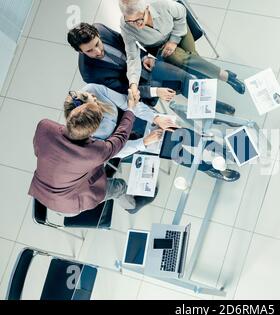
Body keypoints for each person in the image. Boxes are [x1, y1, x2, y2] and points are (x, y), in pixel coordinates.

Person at [66, 84, 240, 182]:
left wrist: (155, 118)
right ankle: (209, 168)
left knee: (188, 135)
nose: (95, 98)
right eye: (93, 103)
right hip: (131, 142)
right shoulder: (88, 136)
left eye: (92, 97)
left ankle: (225, 152)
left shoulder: (92, 90)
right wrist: (144, 142)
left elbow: (130, 104)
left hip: (139, 118)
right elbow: (115, 151)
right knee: (179, 154)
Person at [29, 88, 154, 216]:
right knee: (119, 186)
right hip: (69, 203)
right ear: (94, 130)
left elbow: (38, 150)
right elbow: (120, 138)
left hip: (42, 190)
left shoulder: (44, 127)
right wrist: (130, 109)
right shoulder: (95, 153)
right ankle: (132, 206)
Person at [67, 22, 235, 115]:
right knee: (178, 85)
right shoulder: (89, 73)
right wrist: (155, 91)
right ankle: (211, 108)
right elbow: (126, 92)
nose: (97, 51)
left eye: (97, 44)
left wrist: (144, 57)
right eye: (89, 51)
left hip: (146, 66)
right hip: (141, 87)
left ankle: (214, 105)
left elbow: (127, 43)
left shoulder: (101, 29)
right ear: (79, 51)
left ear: (97, 34)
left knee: (183, 78)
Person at [117, 0, 246, 102]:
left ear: (146, 8)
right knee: (183, 59)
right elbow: (132, 56)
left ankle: (220, 78)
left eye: (140, 19)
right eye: (131, 21)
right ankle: (225, 76)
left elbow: (181, 12)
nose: (136, 25)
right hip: (159, 47)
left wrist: (173, 40)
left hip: (178, 32)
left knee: (186, 60)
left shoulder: (161, 4)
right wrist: (133, 83)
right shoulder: (125, 25)